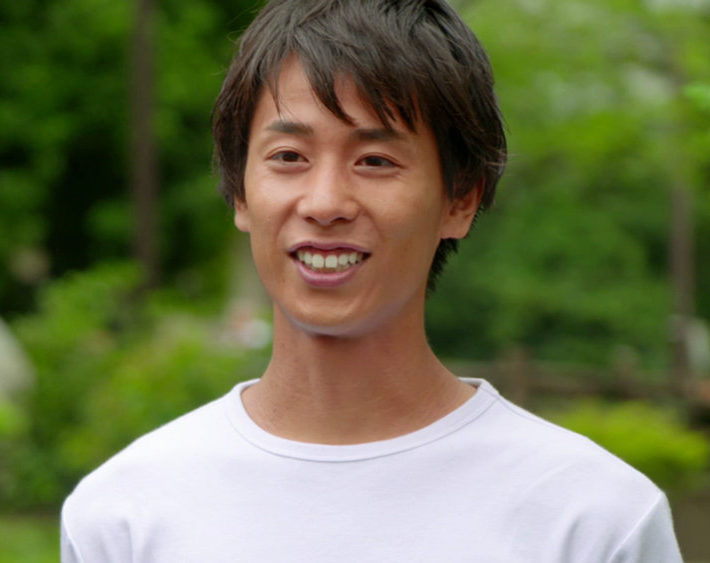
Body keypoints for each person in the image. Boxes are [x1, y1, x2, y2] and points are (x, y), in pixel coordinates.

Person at [61, 0, 684, 561]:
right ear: (241, 192)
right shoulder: (124, 514)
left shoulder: (593, 519)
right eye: (288, 157)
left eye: (375, 160)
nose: (325, 202)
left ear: (460, 200)